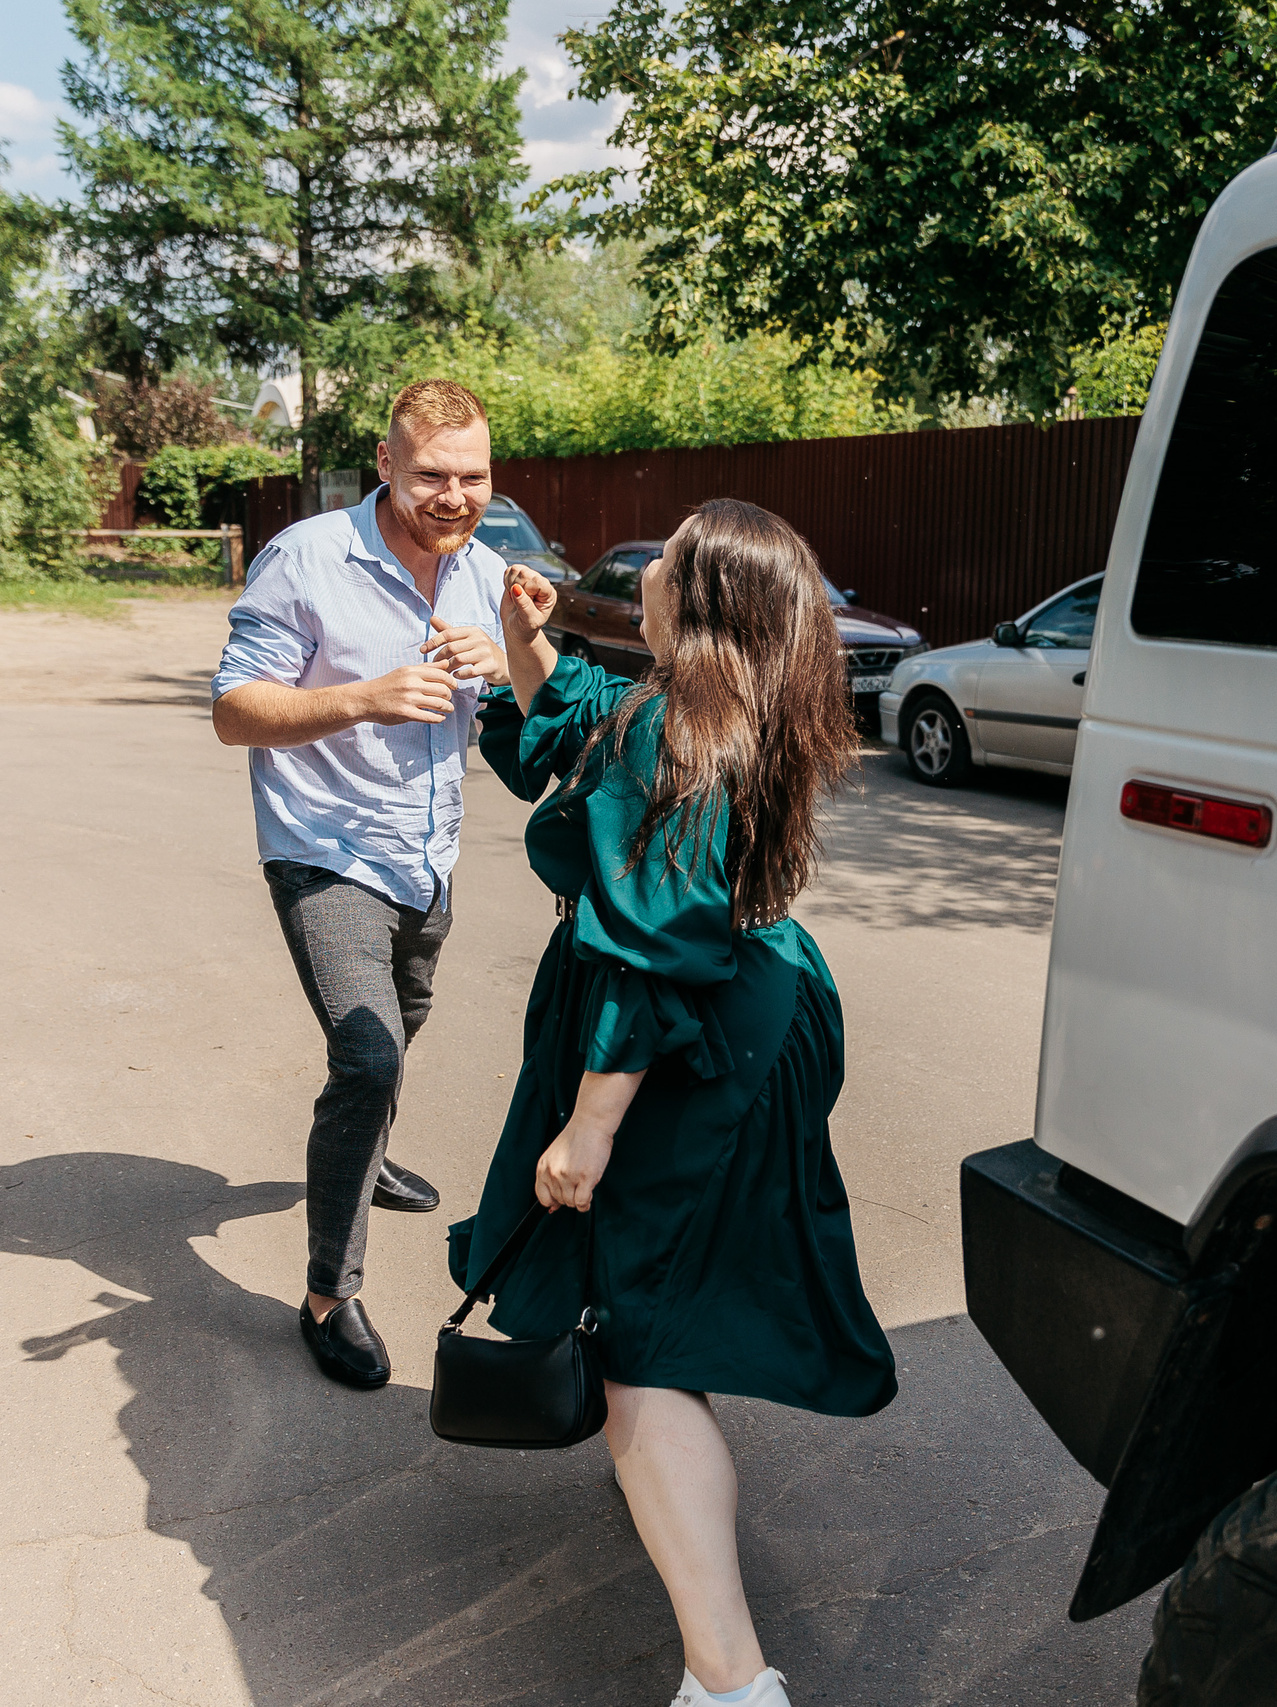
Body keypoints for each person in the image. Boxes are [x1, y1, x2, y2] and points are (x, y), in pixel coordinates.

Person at [453, 499, 897, 1707]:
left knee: (638, 1331)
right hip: (751, 1010)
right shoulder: (723, 702)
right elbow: (571, 729)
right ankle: (658, 1483)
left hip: (681, 1040)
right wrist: (523, 637)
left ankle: (730, 1681)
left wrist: (590, 1127)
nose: (641, 571)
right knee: (662, 1296)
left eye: (667, 561)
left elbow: (651, 950)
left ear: (697, 603)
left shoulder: (679, 730)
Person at [212, 378, 511, 1390]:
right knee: (370, 1052)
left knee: (397, 1028)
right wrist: (360, 699)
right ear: (384, 465)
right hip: (323, 846)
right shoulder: (305, 557)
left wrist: (512, 656)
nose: (453, 495)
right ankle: (329, 1296)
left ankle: (361, 1145)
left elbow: (530, 678)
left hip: (428, 854)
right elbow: (235, 710)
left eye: (472, 476)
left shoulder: (487, 566)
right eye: (431, 474)